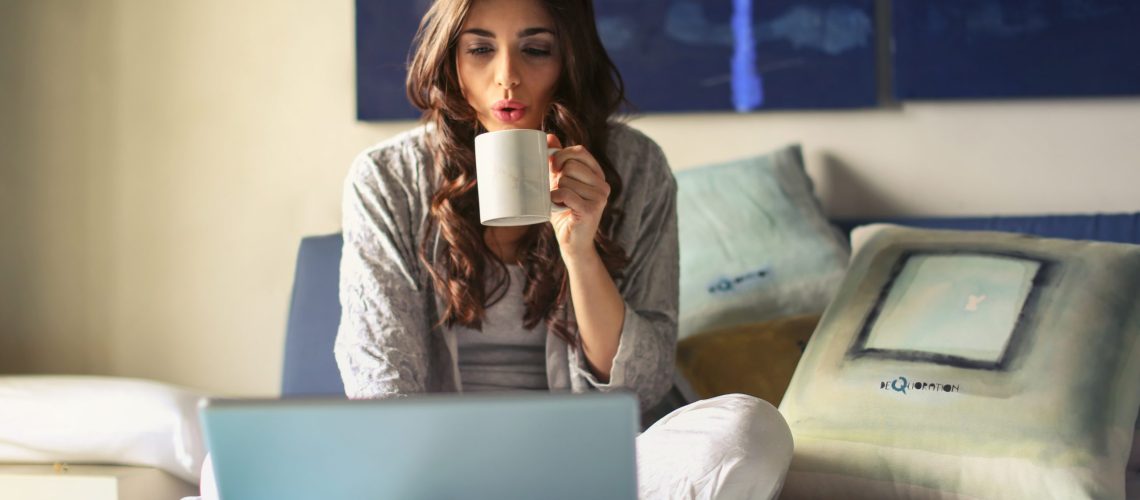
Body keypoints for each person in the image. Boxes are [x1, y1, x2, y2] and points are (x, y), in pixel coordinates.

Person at [197, 0, 792, 498]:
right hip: (432, 470)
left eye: (535, 49)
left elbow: (644, 383)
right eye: (480, 49)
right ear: (451, 59)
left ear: (568, 57)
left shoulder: (636, 169)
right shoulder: (387, 178)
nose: (508, 77)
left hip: (590, 469)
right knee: (222, 473)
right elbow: (380, 380)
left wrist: (581, 249)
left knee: (749, 431)